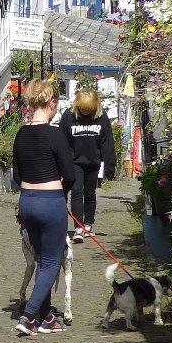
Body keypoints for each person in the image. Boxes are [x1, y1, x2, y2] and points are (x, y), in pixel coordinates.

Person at [11, 79, 78, 336]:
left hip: (27, 201)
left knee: (42, 259)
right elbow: (69, 174)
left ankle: (46, 316)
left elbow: (17, 175)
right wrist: (61, 192)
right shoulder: (55, 134)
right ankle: (29, 316)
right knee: (51, 261)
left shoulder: (21, 133)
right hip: (51, 202)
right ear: (51, 104)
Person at [60, 86, 115, 242]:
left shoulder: (101, 118)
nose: (84, 112)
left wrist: (110, 167)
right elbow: (61, 141)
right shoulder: (68, 117)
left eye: (88, 109)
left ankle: (88, 223)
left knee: (90, 193)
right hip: (74, 161)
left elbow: (108, 143)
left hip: (93, 161)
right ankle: (78, 227)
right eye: (82, 108)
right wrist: (60, 164)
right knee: (77, 192)